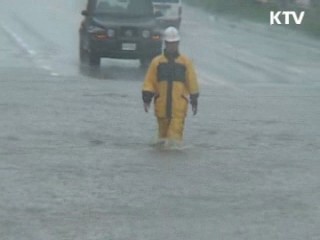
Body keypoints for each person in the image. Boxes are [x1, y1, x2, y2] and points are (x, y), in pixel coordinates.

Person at [142, 26, 199, 146]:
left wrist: (194, 99)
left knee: (174, 140)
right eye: (169, 43)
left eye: (174, 43)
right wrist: (147, 98)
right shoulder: (157, 62)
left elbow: (192, 82)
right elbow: (150, 82)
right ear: (165, 43)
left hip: (178, 108)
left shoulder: (185, 62)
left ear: (178, 43)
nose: (172, 46)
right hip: (161, 108)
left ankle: (172, 163)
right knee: (162, 139)